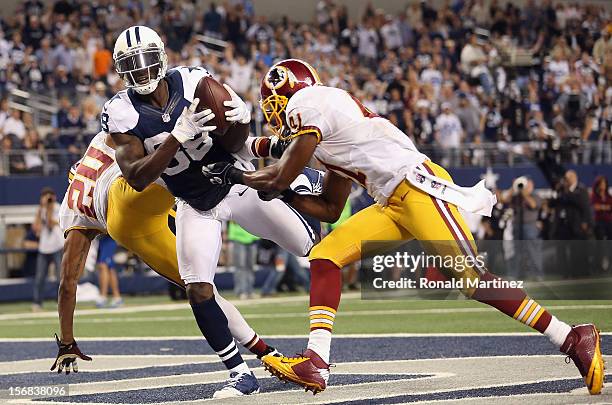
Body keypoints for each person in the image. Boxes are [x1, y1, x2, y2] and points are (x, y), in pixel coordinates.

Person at [202, 59, 604, 395]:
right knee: (325, 255)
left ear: (285, 92)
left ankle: (570, 335)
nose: (274, 115)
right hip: (390, 201)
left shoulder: (309, 103)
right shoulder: (325, 132)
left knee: (472, 280)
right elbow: (328, 206)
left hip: (416, 188)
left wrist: (235, 170)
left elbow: (277, 170)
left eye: (272, 103)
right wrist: (279, 188)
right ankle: (317, 363)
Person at [103, 26, 317, 398]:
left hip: (234, 184)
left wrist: (243, 120)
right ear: (121, 71)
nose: (140, 72)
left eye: (146, 62)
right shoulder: (120, 112)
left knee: (306, 246)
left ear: (162, 58)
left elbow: (233, 141)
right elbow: (137, 178)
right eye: (131, 66)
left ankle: (298, 184)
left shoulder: (193, 82)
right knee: (198, 288)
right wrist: (176, 138)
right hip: (194, 203)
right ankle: (239, 373)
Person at [52, 131, 282, 376]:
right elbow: (131, 125)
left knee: (202, 289)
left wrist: (67, 341)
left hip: (127, 220)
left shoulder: (70, 209)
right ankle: (264, 149)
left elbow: (68, 285)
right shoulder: (99, 142)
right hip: (126, 192)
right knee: (183, 159)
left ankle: (266, 353)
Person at [32, 187, 63, 311]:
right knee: (39, 277)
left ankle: (60, 302)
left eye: (50, 196)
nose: (48, 198)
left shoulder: (57, 207)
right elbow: (36, 228)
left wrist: (48, 209)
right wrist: (41, 209)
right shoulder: (41, 210)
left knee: (59, 277)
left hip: (57, 246)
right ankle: (37, 302)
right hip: (44, 248)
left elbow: (51, 224)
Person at [95, 235, 122, 308]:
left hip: (109, 236)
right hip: (101, 237)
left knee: (104, 265)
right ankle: (116, 297)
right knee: (107, 267)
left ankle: (104, 296)